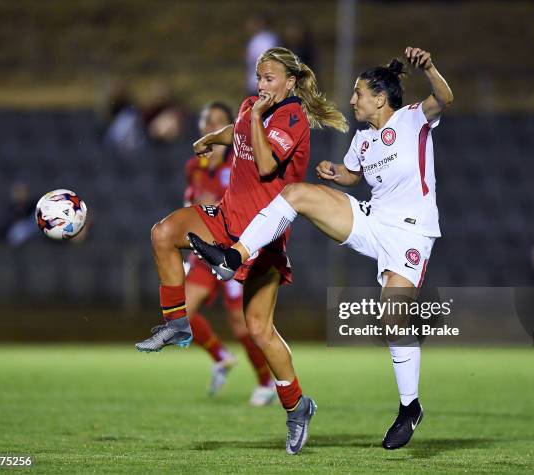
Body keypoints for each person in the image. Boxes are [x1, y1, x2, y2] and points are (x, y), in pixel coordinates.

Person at [188, 46, 453, 450]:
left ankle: (409, 407)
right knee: (295, 193)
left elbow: (445, 99)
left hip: (411, 234)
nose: (352, 100)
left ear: (380, 99)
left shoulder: (413, 120)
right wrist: (336, 173)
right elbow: (353, 175)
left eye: (359, 94)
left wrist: (430, 67)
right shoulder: (363, 140)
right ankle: (235, 255)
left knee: (392, 320)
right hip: (371, 221)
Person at [135, 46, 348, 455]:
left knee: (259, 331)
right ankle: (177, 323)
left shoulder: (292, 118)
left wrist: (252, 117)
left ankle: (297, 406)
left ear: (289, 81)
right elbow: (235, 130)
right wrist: (210, 138)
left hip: (261, 238)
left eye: (270, 78)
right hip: (225, 217)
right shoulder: (251, 105)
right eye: (259, 77)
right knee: (162, 234)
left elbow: (267, 166)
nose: (262, 85)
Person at [182, 102, 277, 405]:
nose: (211, 126)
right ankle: (220, 355)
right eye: (207, 120)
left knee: (241, 324)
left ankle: (266, 382)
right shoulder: (193, 167)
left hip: (233, 252)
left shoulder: (240, 163)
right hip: (203, 253)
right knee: (179, 313)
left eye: (219, 121)